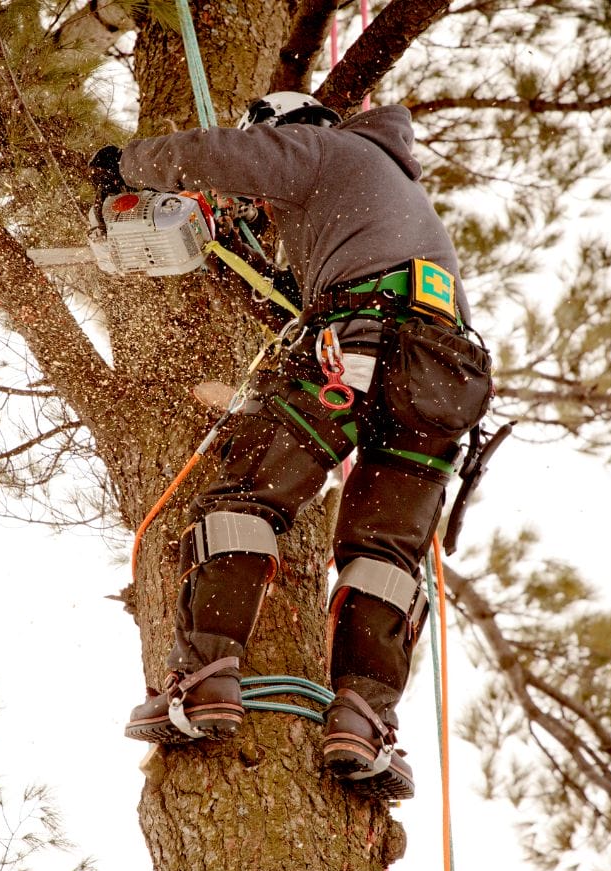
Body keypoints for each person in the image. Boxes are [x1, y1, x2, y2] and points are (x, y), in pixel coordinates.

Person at [89, 92, 492, 799]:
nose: (268, 212)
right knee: (384, 554)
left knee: (247, 497)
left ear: (284, 131)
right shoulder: (380, 193)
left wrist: (126, 165)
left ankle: (205, 682)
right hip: (443, 373)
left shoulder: (321, 148)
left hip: (359, 342)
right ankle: (362, 726)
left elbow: (216, 155)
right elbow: (297, 303)